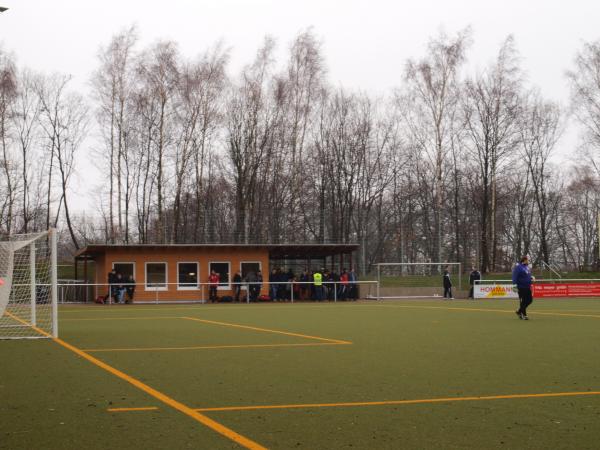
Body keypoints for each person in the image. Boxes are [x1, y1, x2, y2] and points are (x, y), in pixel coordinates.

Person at [512, 255, 534, 320]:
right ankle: (524, 315)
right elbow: (514, 276)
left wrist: (531, 278)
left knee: (530, 300)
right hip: (521, 287)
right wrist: (514, 285)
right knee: (523, 301)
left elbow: (527, 275)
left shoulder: (526, 267)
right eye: (527, 260)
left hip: (527, 287)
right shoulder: (518, 267)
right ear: (524, 260)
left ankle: (519, 311)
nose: (528, 261)